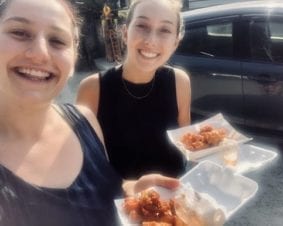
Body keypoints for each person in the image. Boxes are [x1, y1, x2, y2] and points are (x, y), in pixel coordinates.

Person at [0, 0, 180, 226]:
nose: (40, 53)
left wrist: (130, 189)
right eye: (19, 32)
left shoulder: (84, 120)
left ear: (74, 56)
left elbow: (98, 193)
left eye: (57, 40)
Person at [76, 0, 191, 179]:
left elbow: (187, 143)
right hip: (123, 202)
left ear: (175, 42)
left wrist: (217, 152)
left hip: (176, 197)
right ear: (124, 32)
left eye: (165, 30)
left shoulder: (179, 81)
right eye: (142, 26)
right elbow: (88, 164)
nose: (151, 40)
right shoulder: (92, 88)